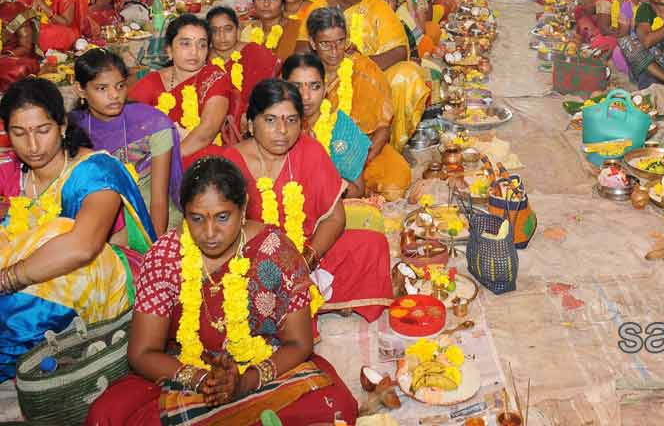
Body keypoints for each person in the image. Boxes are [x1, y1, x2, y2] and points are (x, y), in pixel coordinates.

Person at [85, 156, 358, 424]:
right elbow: (143, 352)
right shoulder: (167, 255)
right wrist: (203, 380)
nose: (210, 232)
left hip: (262, 368)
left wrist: (245, 382)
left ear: (244, 208)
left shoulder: (275, 251)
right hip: (186, 369)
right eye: (197, 218)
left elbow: (299, 343)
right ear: (185, 214)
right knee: (107, 413)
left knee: (335, 403)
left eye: (222, 217)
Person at [0, 78, 155, 381]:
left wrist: (7, 280)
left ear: (61, 126)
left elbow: (83, 246)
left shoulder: (95, 170)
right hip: (34, 280)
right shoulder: (10, 171)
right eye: (19, 133)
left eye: (43, 131)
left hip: (103, 277)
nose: (32, 146)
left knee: (58, 230)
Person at [213, 80, 392, 322]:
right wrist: (274, 266)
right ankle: (310, 300)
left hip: (307, 250)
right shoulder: (229, 165)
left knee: (371, 241)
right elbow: (219, 237)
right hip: (252, 262)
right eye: (270, 120)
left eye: (291, 120)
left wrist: (306, 260)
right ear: (250, 123)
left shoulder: (310, 151)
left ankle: (313, 295)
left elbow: (335, 217)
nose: (282, 130)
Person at [70, 49, 183, 236]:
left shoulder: (153, 125)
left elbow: (159, 200)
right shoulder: (72, 129)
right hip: (98, 226)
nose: (114, 95)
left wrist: (152, 249)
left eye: (120, 86)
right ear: (80, 90)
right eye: (102, 88)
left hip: (154, 220)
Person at [307, 8, 414, 199]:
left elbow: (383, 129)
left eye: (340, 42)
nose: (334, 51)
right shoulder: (304, 72)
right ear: (312, 43)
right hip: (316, 148)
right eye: (325, 44)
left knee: (395, 182)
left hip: (363, 148)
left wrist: (359, 161)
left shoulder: (364, 68)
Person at [129, 14, 232, 162]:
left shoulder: (215, 78)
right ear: (169, 50)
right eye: (186, 44)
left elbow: (206, 133)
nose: (194, 52)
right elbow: (128, 121)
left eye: (202, 45)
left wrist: (166, 163)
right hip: (155, 158)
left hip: (200, 158)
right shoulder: (153, 81)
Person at [282, 54, 371, 197]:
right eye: (296, 86)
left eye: (314, 86)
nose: (306, 96)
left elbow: (357, 190)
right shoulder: (273, 127)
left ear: (325, 88)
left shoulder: (342, 128)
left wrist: (319, 169)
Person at [207, 5, 280, 132]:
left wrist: (251, 113)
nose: (222, 36)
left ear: (238, 30)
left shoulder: (255, 52)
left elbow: (271, 92)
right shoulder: (203, 59)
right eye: (215, 31)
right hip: (213, 126)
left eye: (228, 29)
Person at [237, 0, 301, 61]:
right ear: (253, 4)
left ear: (283, 4)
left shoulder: (296, 28)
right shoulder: (248, 32)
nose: (266, 3)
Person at [0, 1, 41, 90]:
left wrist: (6, 55)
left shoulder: (15, 10)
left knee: (22, 68)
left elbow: (25, 47)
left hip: (9, 58)